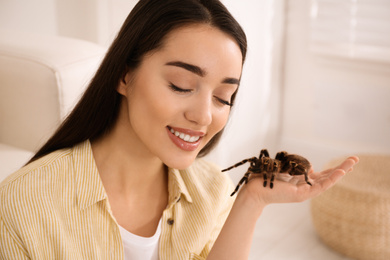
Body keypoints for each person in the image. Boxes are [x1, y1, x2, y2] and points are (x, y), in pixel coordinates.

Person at [0, 0, 359, 259]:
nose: (204, 116)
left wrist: (251, 201)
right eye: (181, 85)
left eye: (223, 97)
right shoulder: (22, 206)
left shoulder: (212, 190)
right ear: (125, 75)